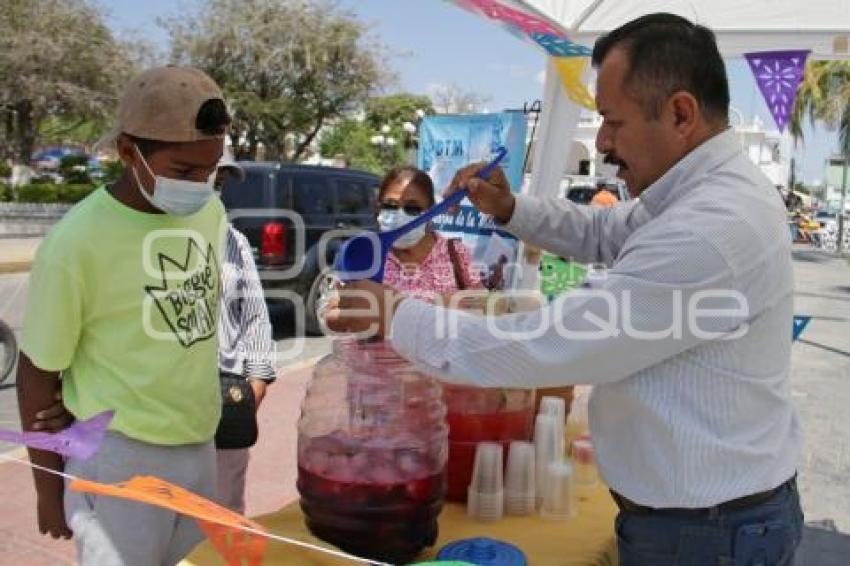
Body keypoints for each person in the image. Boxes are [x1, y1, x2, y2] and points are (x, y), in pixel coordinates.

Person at [326, 13, 803, 565]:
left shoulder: (715, 226)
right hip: (701, 521)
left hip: (707, 533)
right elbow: (604, 230)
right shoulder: (692, 196)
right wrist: (509, 208)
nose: (602, 143)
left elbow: (545, 345)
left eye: (612, 122)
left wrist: (396, 314)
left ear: (680, 114)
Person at [17, 66, 230, 564]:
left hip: (198, 442)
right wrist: (48, 490)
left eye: (211, 170)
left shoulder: (209, 212)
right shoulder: (76, 243)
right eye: (183, 171)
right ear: (129, 151)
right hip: (119, 457)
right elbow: (36, 372)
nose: (200, 185)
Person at [213, 159, 276, 514]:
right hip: (159, 418)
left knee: (221, 523)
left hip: (226, 407)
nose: (211, 189)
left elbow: (255, 316)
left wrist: (255, 384)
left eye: (219, 181)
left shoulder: (233, 240)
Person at [376, 166, 482, 302]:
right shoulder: (368, 256)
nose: (399, 215)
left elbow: (482, 308)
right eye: (390, 205)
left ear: (431, 212)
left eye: (412, 208)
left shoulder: (456, 253)